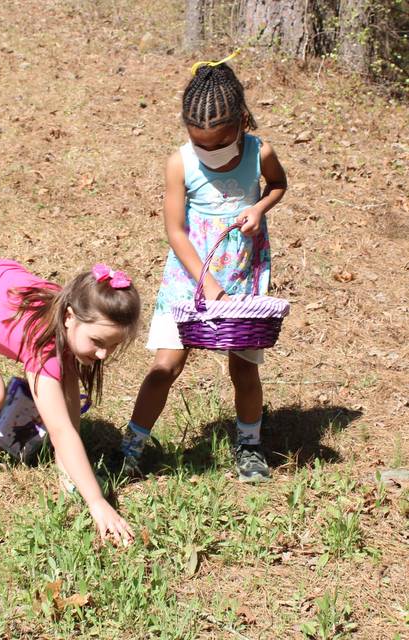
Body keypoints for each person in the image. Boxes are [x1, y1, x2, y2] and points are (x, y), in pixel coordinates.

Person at [121, 57, 287, 483]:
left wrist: (259, 207)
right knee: (165, 366)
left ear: (241, 124)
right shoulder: (180, 163)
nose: (209, 152)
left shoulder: (259, 152)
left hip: (242, 273)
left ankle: (249, 445)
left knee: (244, 368)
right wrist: (207, 284)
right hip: (192, 275)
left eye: (218, 143)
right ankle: (132, 446)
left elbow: (278, 185)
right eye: (201, 145)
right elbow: (176, 232)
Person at [0, 258, 140, 544]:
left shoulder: (70, 314)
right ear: (69, 317)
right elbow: (60, 429)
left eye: (112, 346)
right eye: (98, 342)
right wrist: (96, 501)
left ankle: (69, 471)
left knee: (58, 385)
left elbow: (69, 400)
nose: (103, 355)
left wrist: (68, 473)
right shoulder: (41, 343)